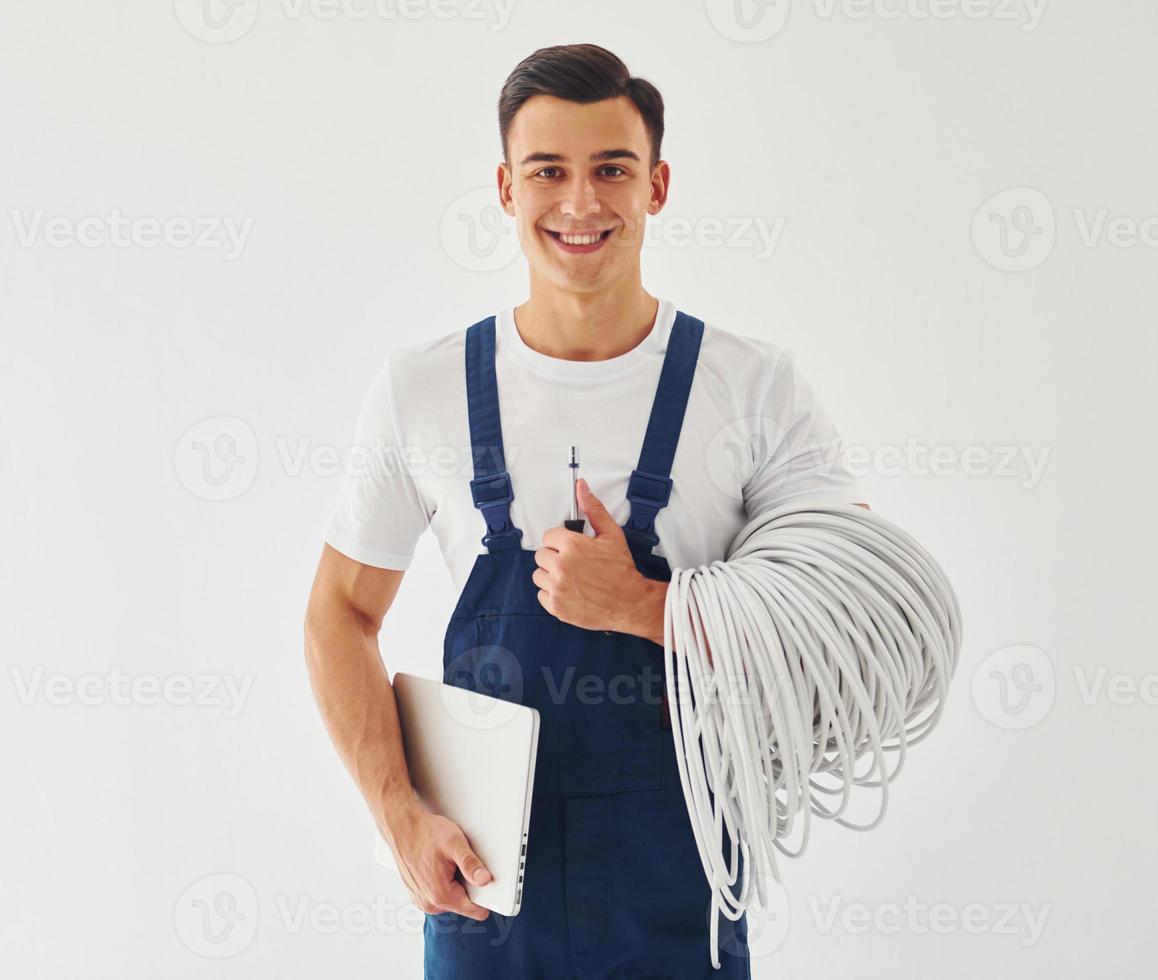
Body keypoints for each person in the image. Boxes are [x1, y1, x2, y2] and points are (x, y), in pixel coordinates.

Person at [303, 42, 867, 979]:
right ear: (504, 188)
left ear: (658, 185)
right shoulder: (424, 389)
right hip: (483, 885)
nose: (579, 201)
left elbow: (838, 620)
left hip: (678, 874)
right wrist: (398, 814)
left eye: (612, 168)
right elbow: (339, 614)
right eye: (547, 171)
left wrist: (644, 607)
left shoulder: (754, 387)